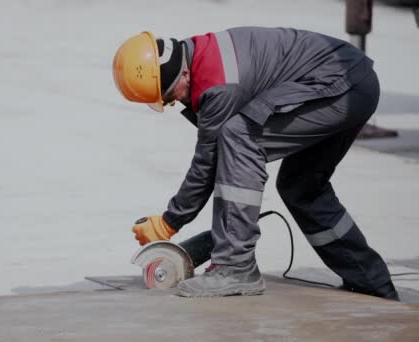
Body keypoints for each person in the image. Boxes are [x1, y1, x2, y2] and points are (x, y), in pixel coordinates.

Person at [112, 27, 399, 300]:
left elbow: (207, 163)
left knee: (240, 136)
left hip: (339, 84)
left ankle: (236, 267)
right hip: (352, 83)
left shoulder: (217, 82)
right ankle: (371, 281)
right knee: (300, 187)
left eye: (174, 95)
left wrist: (169, 222)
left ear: (182, 72)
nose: (179, 101)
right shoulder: (201, 54)